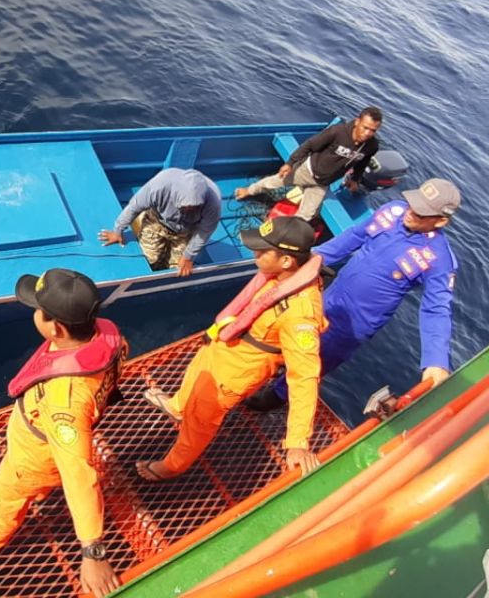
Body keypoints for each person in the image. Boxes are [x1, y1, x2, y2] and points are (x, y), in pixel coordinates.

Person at [0, 268, 126, 597]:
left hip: (36, 457)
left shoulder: (64, 403)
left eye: (38, 310)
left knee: (4, 495)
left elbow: (79, 475)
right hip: (51, 438)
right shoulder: (104, 333)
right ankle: (37, 494)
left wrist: (93, 552)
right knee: (36, 484)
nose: (35, 313)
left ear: (56, 327)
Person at [135, 215, 325, 482]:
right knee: (194, 374)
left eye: (262, 249)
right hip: (221, 348)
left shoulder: (301, 315)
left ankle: (173, 466)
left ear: (286, 260)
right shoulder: (278, 275)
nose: (255, 252)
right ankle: (178, 406)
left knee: (200, 420)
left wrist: (297, 441)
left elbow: (304, 376)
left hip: (234, 372)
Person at [248, 177, 461, 412]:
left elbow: (436, 309)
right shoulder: (392, 211)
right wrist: (308, 259)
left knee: (313, 362)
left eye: (421, 213)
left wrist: (436, 360)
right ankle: (259, 374)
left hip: (353, 325)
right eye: (412, 203)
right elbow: (353, 237)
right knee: (286, 335)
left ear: (440, 221)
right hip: (329, 299)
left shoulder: (439, 260)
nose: (410, 213)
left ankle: (276, 397)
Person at [234, 108, 383, 221]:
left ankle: (285, 235)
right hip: (306, 171)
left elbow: (362, 162)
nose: (368, 133)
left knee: (306, 216)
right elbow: (309, 145)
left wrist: (355, 179)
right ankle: (249, 190)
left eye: (373, 130)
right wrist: (290, 163)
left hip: (322, 183)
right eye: (365, 127)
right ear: (357, 122)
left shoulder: (372, 146)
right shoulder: (337, 132)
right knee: (274, 182)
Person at [98, 168, 221, 277]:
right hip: (157, 222)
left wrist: (188, 257)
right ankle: (141, 223)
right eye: (185, 206)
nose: (189, 209)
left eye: (194, 207)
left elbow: (204, 231)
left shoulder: (213, 202)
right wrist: (118, 230)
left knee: (177, 269)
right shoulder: (160, 186)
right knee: (150, 259)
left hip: (186, 230)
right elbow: (134, 207)